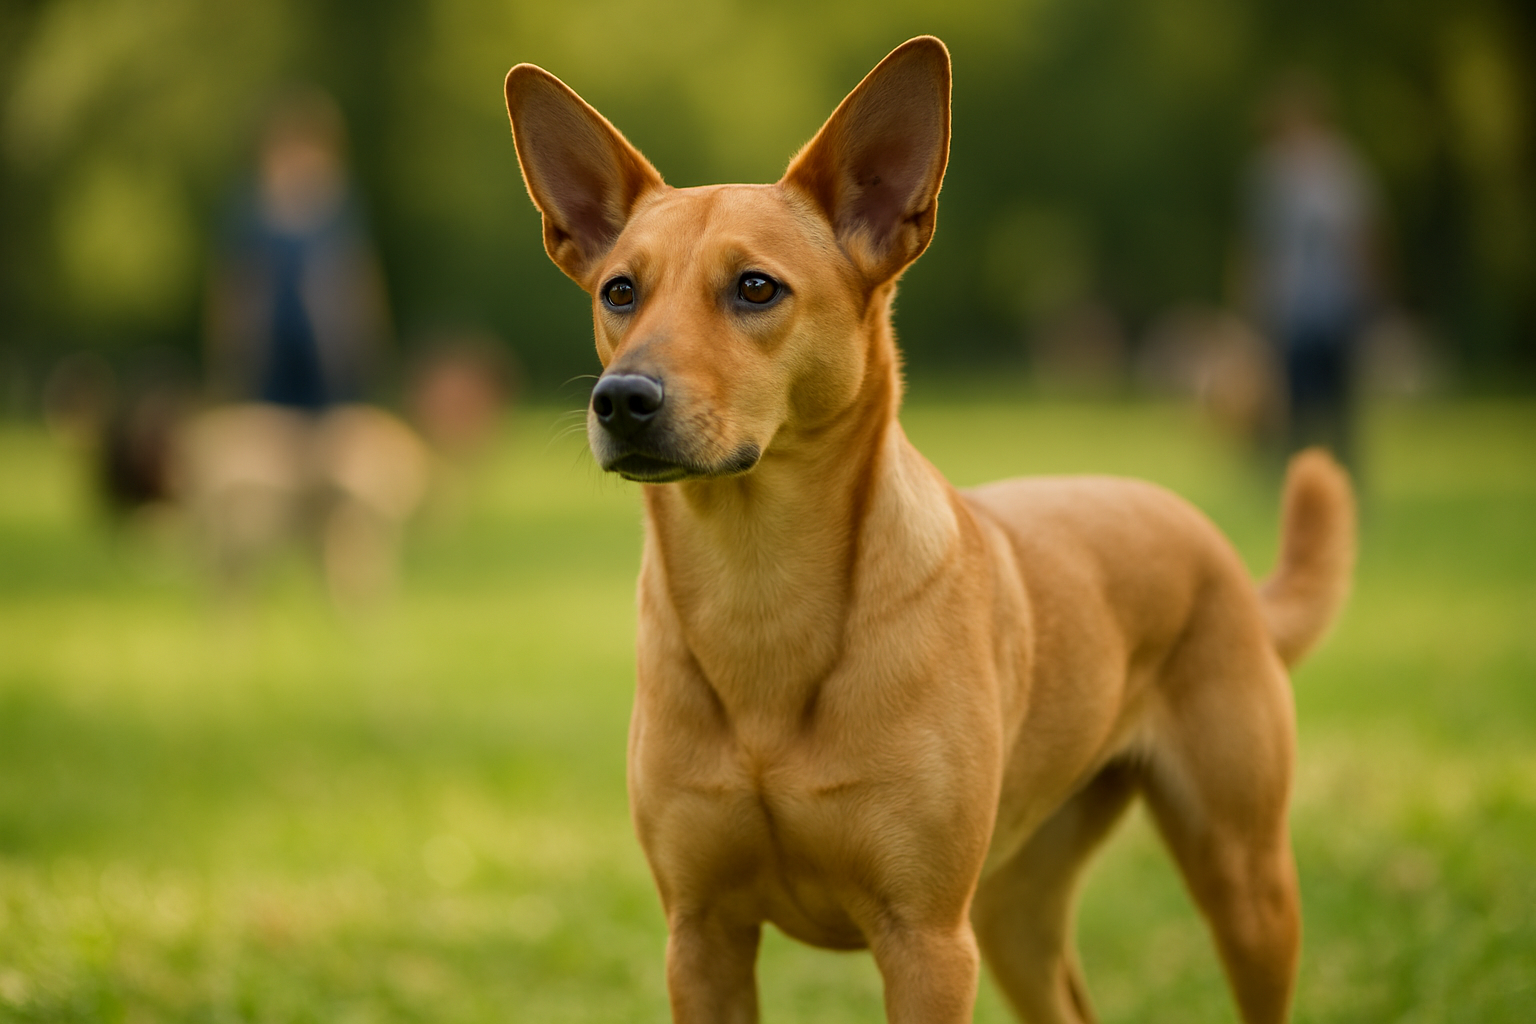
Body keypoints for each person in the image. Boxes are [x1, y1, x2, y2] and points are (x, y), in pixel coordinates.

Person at [206, 88, 389, 408]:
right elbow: (232, 298)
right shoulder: (249, 213)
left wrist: (366, 361)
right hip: (266, 382)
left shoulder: (341, 210)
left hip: (334, 383)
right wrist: (231, 370)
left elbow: (361, 292)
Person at [1244, 73, 1379, 473]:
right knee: (1293, 406)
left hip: (1337, 305)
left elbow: (1362, 237)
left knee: (1341, 407)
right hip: (1289, 310)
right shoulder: (1269, 175)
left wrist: (1371, 292)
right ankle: (1295, 480)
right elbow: (1257, 248)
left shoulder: (1341, 172)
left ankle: (1343, 480)